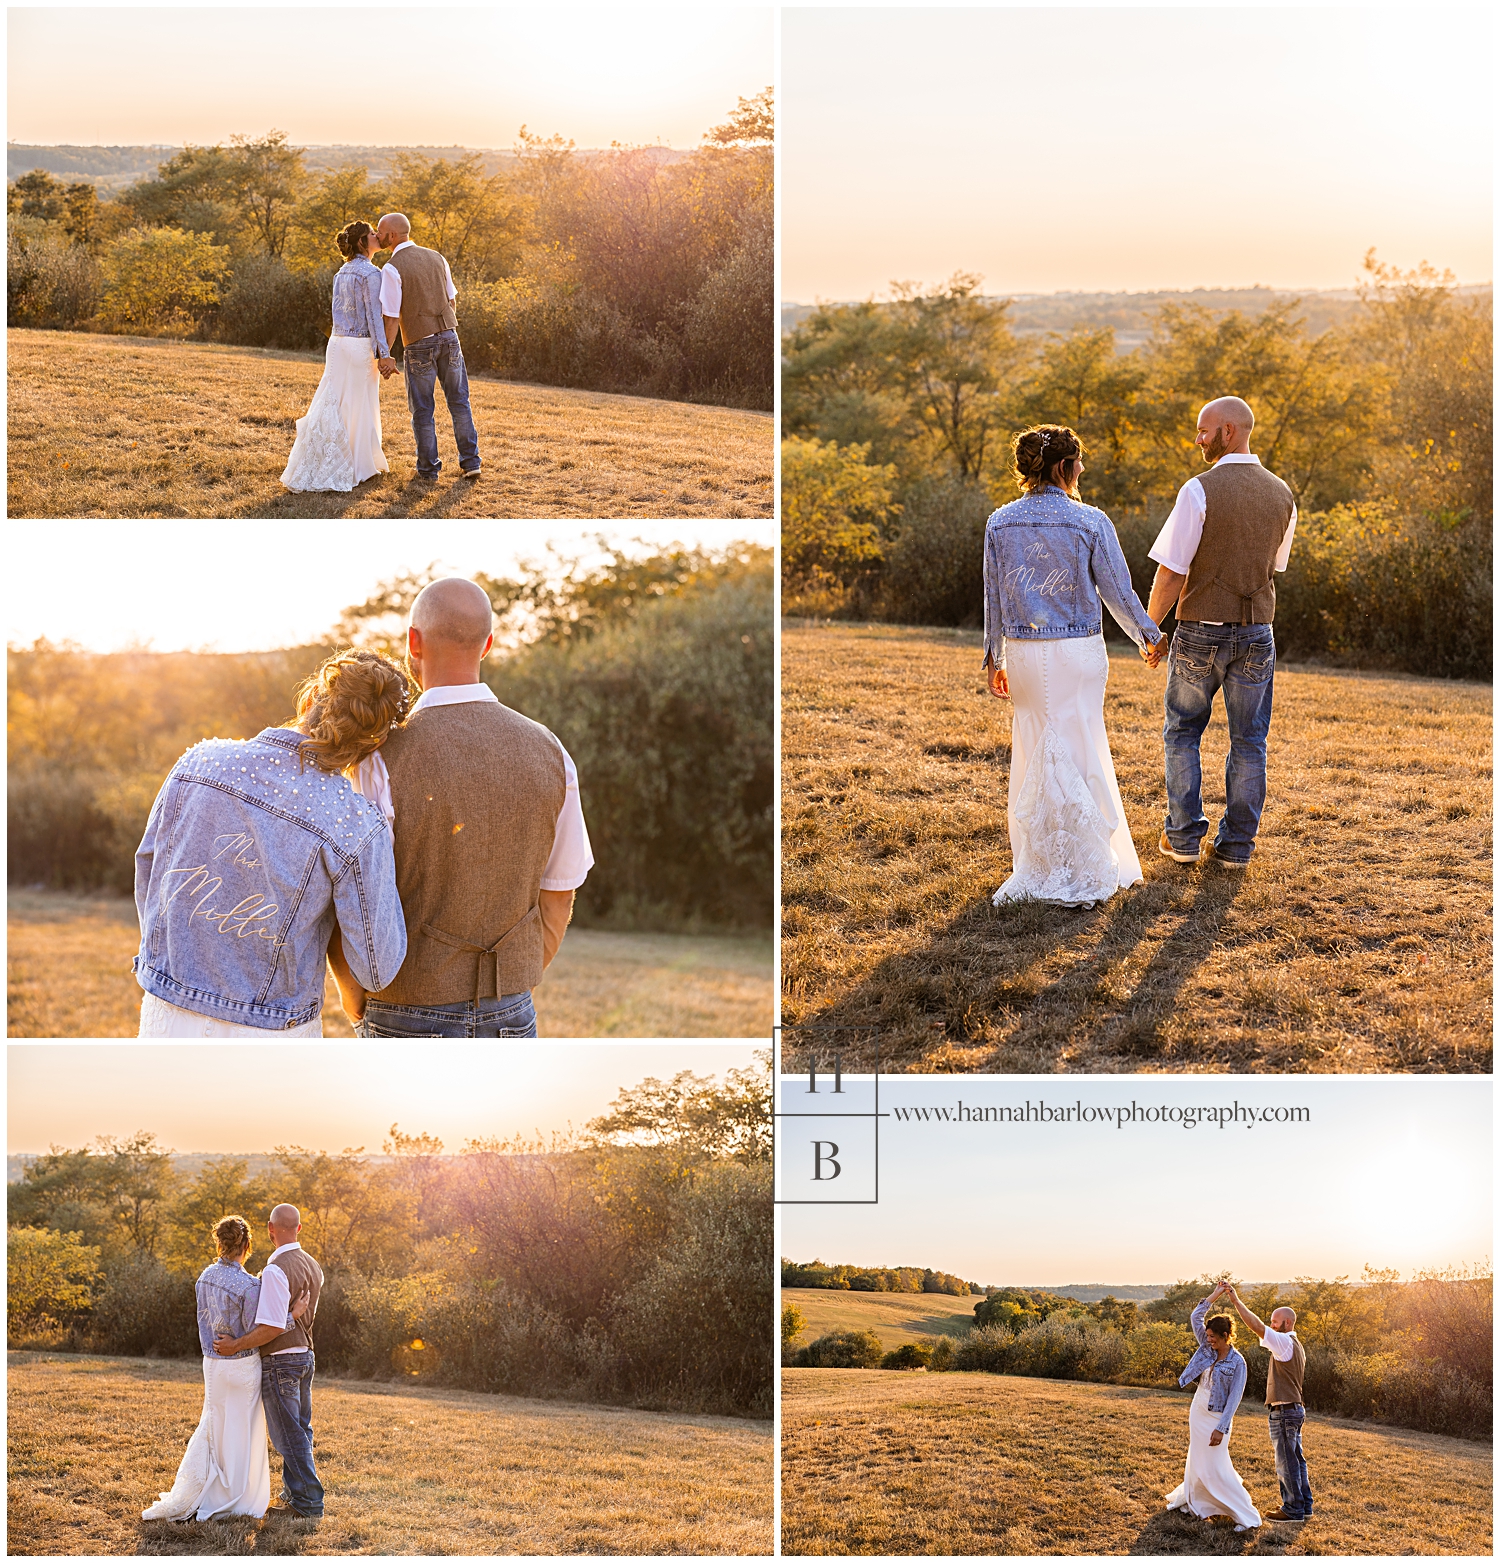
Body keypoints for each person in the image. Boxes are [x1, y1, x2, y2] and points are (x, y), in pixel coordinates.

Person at [334, 577, 594, 1037]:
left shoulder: (380, 759)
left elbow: (355, 898)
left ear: (413, 642)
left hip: (402, 1014)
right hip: (514, 1015)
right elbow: (559, 895)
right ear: (488, 644)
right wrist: (512, 984)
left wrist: (355, 999)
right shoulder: (551, 750)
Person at [133, 649, 411, 1035]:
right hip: (275, 1035)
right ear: (374, 742)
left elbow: (149, 869)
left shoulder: (198, 764)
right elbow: (376, 969)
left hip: (167, 1016)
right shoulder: (356, 823)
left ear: (311, 697)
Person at [983, 423, 1165, 906]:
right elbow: (1118, 591)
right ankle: (1089, 862)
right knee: (1082, 743)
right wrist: (1149, 634)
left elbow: (994, 598)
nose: (1083, 468)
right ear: (1064, 467)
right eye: (1079, 460)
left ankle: (1039, 863)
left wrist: (993, 656)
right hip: (1078, 654)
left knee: (1036, 743)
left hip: (1022, 653)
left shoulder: (999, 521)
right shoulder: (1090, 521)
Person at [1143, 395, 1298, 868]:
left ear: (1229, 431)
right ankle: (1236, 848)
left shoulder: (1199, 489)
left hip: (1199, 633)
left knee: (1183, 733)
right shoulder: (1282, 494)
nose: (1198, 439)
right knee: (1249, 742)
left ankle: (1185, 838)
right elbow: (1274, 566)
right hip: (1256, 634)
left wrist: (1151, 629)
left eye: (1204, 430)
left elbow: (1172, 572)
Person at [141, 1215, 297, 1522]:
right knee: (241, 1430)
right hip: (241, 1365)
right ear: (247, 1245)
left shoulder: (204, 1277)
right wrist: (294, 1316)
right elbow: (264, 1329)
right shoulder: (251, 1286)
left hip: (211, 1364)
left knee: (215, 1425)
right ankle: (234, 1496)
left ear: (220, 1243)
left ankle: (205, 1489)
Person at [212, 1205, 325, 1521]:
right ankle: (294, 1493)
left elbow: (273, 1326)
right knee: (300, 1430)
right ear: (298, 1228)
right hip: (306, 1356)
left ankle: (309, 1502)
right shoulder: (314, 1266)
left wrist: (235, 1344)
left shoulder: (276, 1269)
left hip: (281, 1361)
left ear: (270, 1229)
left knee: (287, 1434)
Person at [282, 220, 400, 492]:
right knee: (358, 404)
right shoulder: (371, 274)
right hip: (359, 345)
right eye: (372, 234)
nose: (376, 236)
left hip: (336, 343)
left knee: (333, 400)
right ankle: (359, 465)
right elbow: (374, 316)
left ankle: (322, 460)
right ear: (362, 242)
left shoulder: (341, 272)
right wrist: (384, 353)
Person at [375, 211, 482, 481]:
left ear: (392, 235)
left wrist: (385, 354)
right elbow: (452, 300)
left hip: (419, 343)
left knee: (422, 409)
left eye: (380, 232)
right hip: (449, 336)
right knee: (460, 402)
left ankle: (428, 470)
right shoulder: (437, 257)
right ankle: (471, 462)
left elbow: (390, 318)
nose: (377, 236)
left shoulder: (392, 268)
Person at [1166, 1282, 1260, 1532]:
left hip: (1218, 1416)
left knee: (1216, 1466)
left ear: (1226, 1337)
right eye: (1206, 1336)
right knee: (1198, 1460)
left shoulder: (1237, 1362)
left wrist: (1221, 1428)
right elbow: (1196, 1315)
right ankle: (1200, 1505)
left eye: (1213, 1337)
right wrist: (1218, 1294)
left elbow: (1234, 1399)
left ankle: (1245, 1515)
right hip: (1198, 1410)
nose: (1208, 1340)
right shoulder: (1206, 1347)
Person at [1227, 1286, 1314, 1522]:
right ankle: (1303, 1506)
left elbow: (1255, 1326)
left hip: (1285, 1411)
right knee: (1296, 1460)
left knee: (1286, 1462)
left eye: (1275, 1322)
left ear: (1287, 1323)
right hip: (1294, 1409)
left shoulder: (1284, 1342)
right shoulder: (1295, 1344)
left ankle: (1293, 1509)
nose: (1271, 1325)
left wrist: (1236, 1301)